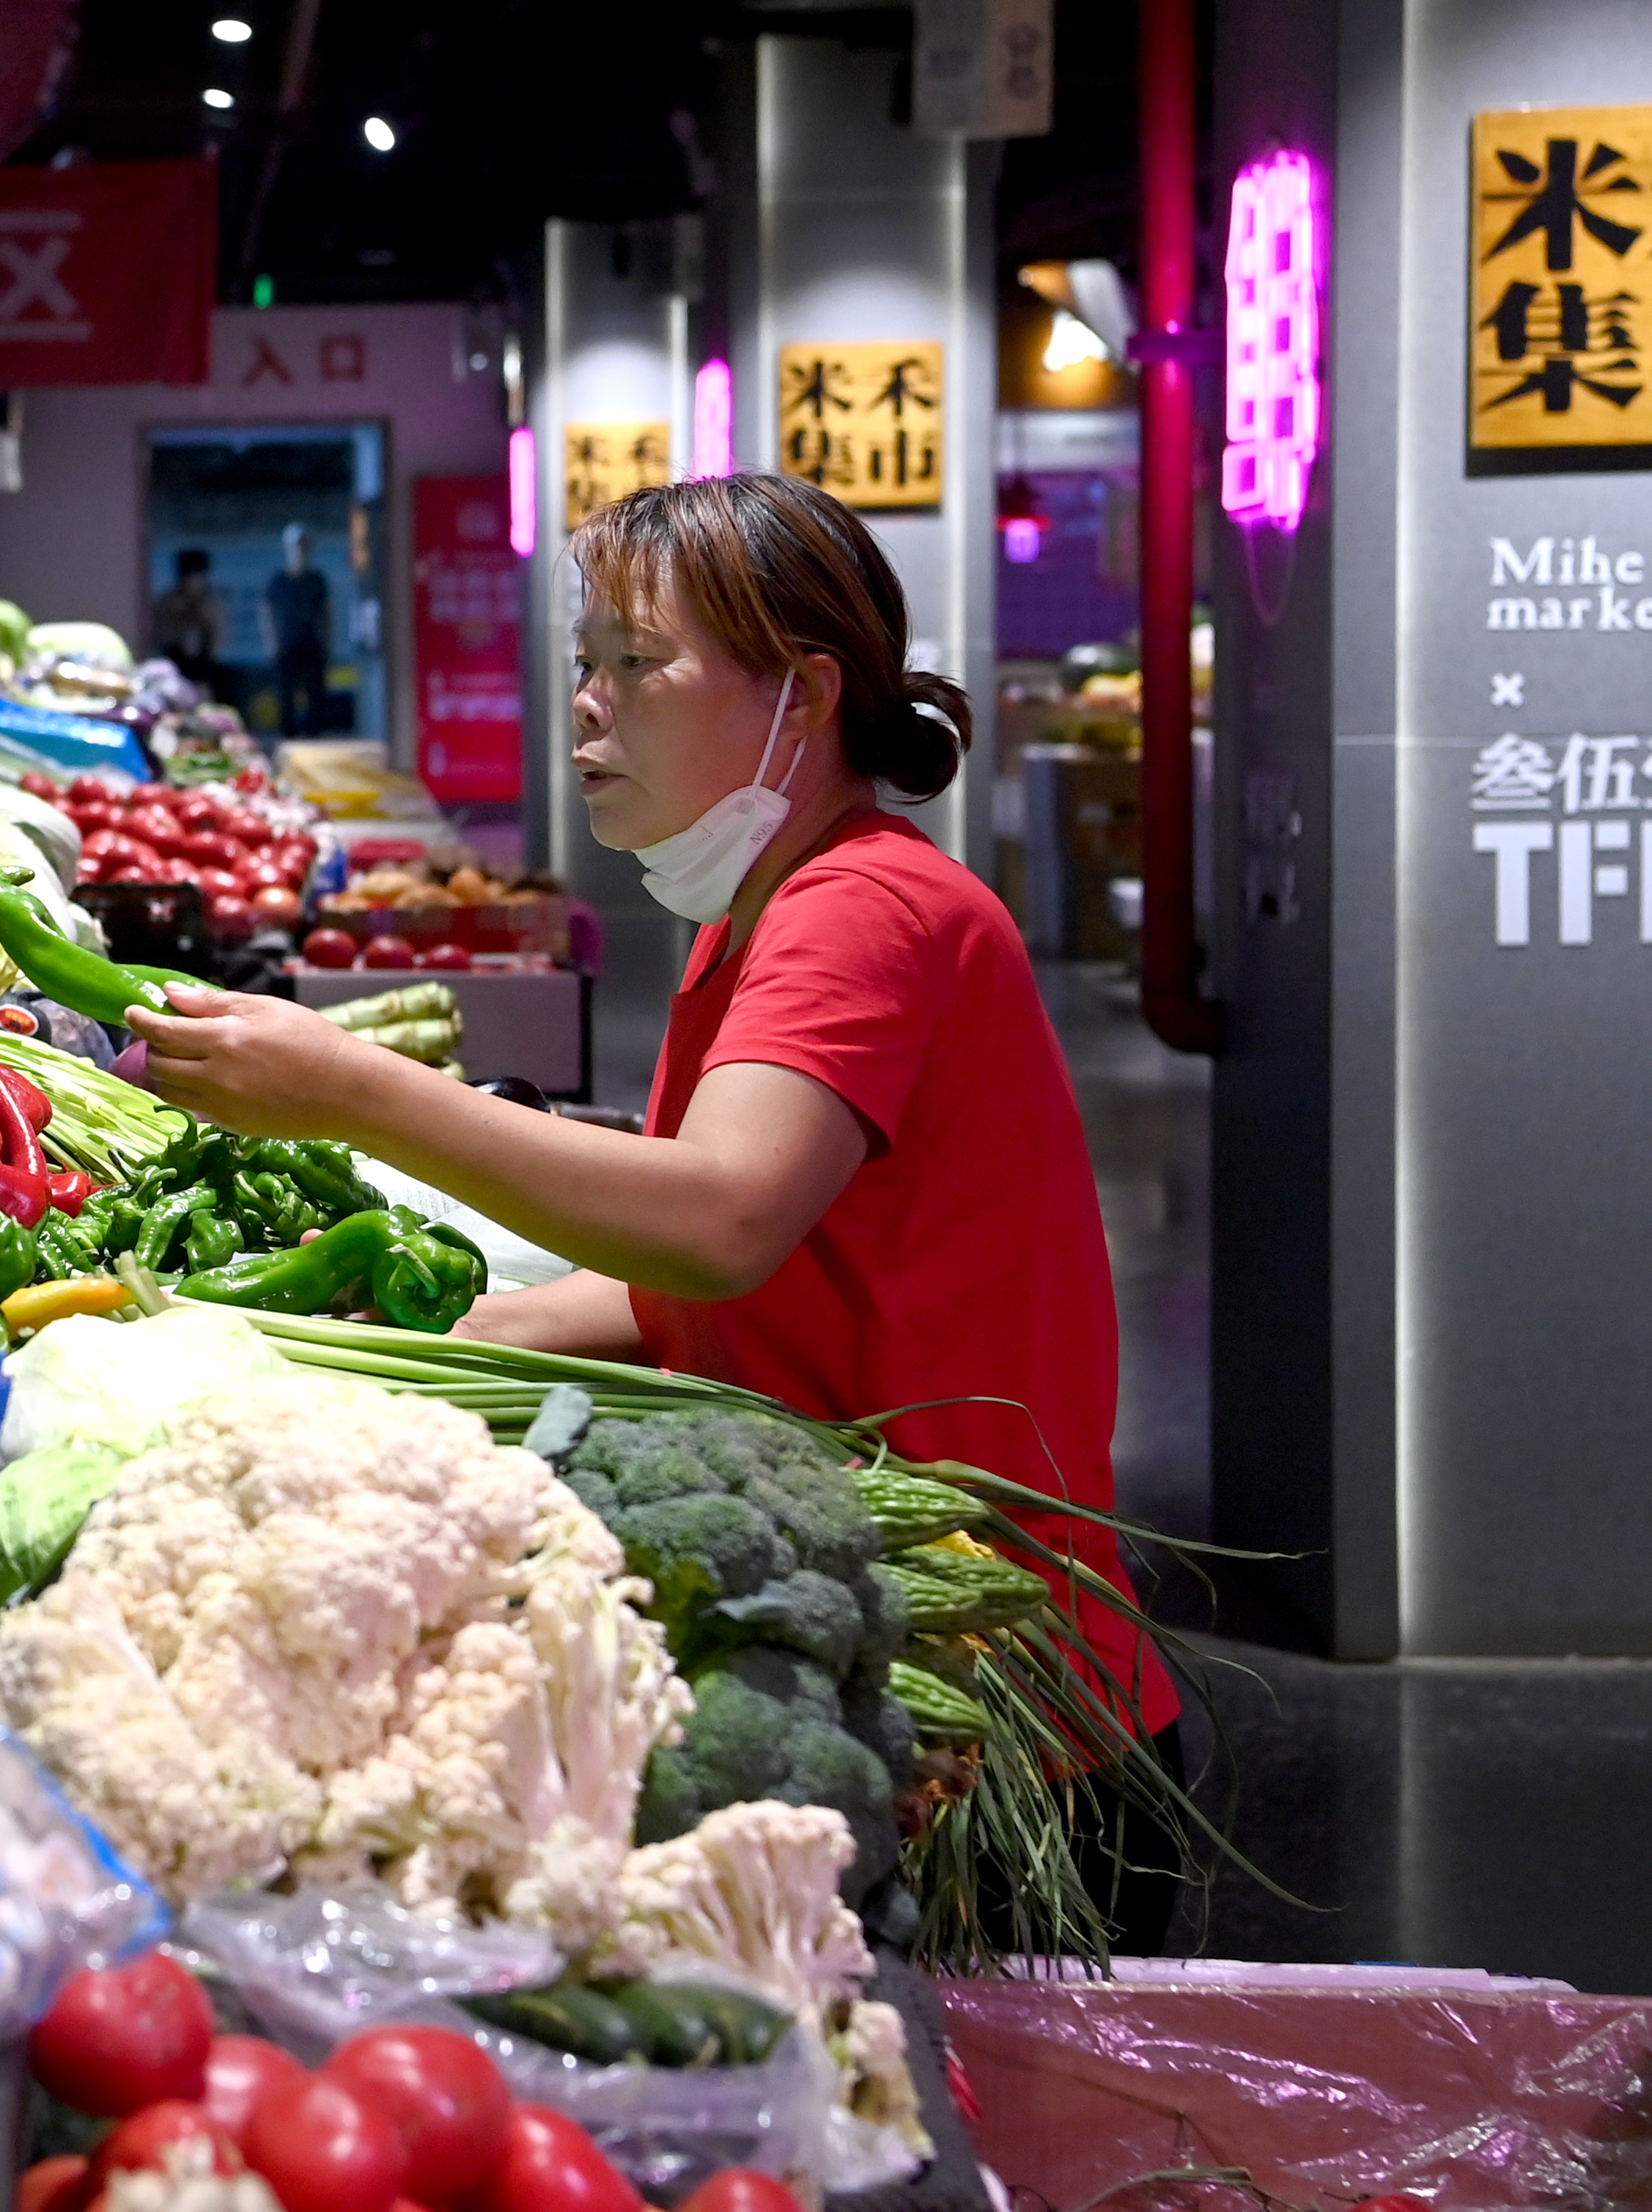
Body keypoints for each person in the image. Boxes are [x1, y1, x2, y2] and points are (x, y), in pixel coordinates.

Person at [130, 473, 1184, 1934]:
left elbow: (717, 1219)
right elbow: (691, 1282)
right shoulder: (751, 913)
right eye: (586, 662)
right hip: (860, 1636)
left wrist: (351, 1088)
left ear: (803, 691)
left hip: (986, 1701)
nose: (589, 706)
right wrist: (423, 1344)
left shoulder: (862, 910)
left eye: (639, 664)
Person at [261, 522, 332, 735]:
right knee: (286, 692)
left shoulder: (316, 580)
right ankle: (288, 734)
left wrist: (328, 641)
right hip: (286, 643)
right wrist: (271, 642)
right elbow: (267, 613)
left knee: (315, 691)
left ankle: (314, 733)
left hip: (311, 642)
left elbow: (326, 614)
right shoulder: (279, 581)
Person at [150, 547, 227, 695]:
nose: (195, 582)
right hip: (174, 671)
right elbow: (162, 637)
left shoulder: (212, 604)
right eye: (191, 577)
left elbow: (219, 638)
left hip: (205, 671)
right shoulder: (170, 603)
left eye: (199, 577)